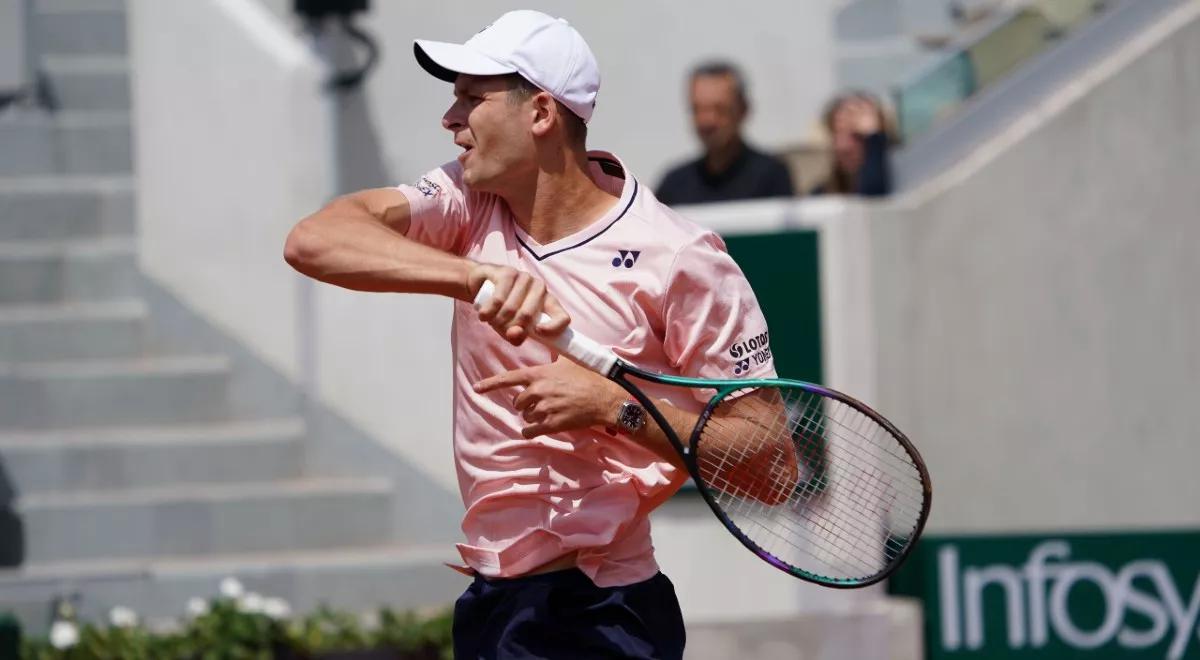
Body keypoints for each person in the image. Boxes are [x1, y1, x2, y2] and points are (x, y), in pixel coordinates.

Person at [283, 11, 776, 660]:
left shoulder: (680, 257)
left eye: (471, 97)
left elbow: (770, 460)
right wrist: (470, 277)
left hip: (601, 612)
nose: (450, 118)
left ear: (541, 113)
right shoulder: (467, 202)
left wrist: (613, 407)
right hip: (493, 605)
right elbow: (313, 240)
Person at [655, 61, 795, 206]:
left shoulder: (771, 177)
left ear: (743, 110)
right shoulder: (674, 185)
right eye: (698, 110)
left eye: (719, 109)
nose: (707, 120)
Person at [812, 91, 893, 197]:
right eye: (836, 134)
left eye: (856, 136)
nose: (843, 146)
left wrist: (873, 137)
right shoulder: (822, 194)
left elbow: (873, 196)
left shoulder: (901, 175)